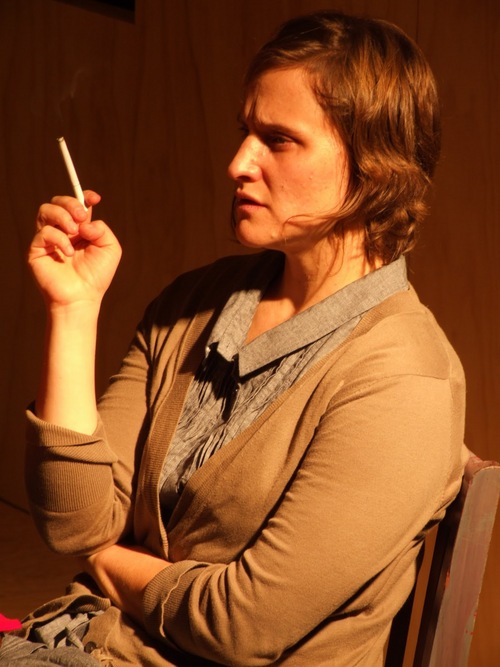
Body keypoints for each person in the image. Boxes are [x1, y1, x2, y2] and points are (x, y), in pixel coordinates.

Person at [0, 10, 467, 667]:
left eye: (278, 140)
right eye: (245, 131)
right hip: (79, 642)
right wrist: (73, 310)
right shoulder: (195, 303)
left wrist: (105, 558)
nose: (238, 163)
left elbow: (239, 626)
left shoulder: (403, 381)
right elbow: (75, 521)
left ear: (375, 169)